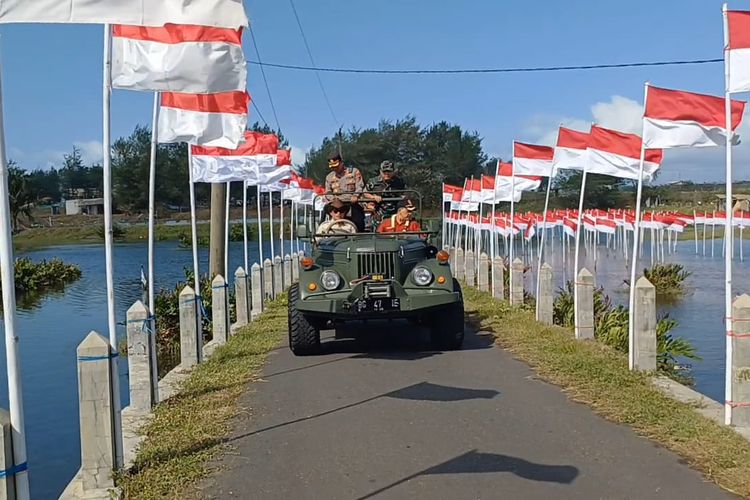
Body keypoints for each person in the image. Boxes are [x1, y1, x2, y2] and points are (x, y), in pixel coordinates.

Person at [324, 153, 365, 231]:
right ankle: (323, 232)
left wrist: (356, 195)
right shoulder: (329, 177)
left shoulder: (354, 172)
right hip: (337, 204)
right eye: (332, 167)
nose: (334, 168)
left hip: (352, 202)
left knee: (358, 216)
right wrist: (333, 200)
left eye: (336, 166)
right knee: (325, 210)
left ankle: (358, 233)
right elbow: (328, 192)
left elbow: (360, 186)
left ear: (341, 162)